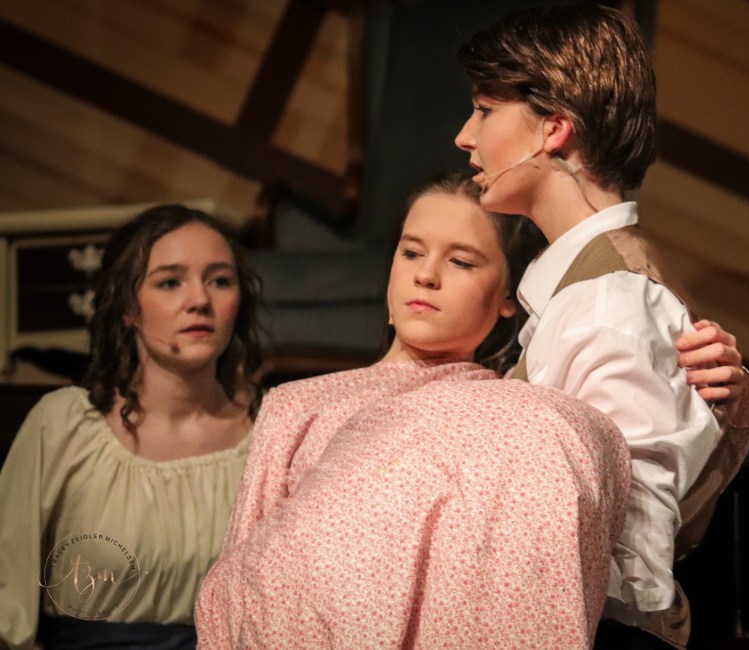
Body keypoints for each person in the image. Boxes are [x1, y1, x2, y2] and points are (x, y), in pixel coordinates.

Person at [194, 173, 633, 648]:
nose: (426, 275)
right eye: (411, 253)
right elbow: (238, 588)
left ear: (508, 295)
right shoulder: (294, 404)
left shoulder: (517, 420)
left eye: (461, 261)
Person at [455, 2, 749, 647]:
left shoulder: (611, 302)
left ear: (553, 129)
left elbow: (629, 551)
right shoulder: (585, 289)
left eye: (485, 110)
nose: (465, 135)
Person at [0, 205, 264, 650]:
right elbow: (8, 599)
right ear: (127, 308)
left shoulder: (274, 433)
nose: (200, 300)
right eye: (170, 282)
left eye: (220, 280)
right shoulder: (63, 427)